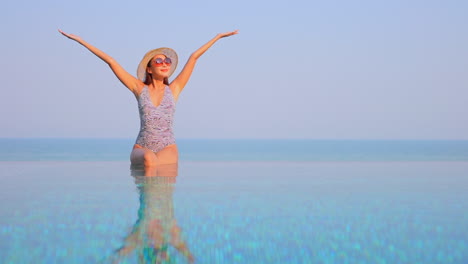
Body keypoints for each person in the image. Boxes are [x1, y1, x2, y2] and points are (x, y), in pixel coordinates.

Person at [59, 29, 238, 167]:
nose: (165, 63)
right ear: (149, 69)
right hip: (142, 147)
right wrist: (80, 41)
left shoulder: (174, 89)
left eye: (167, 61)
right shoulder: (139, 88)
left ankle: (164, 214)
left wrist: (218, 36)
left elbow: (193, 57)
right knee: (149, 160)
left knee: (159, 171)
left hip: (168, 146)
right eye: (158, 61)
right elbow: (111, 61)